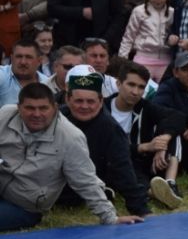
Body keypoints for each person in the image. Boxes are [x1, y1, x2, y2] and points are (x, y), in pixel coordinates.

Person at [0, 83, 143, 230]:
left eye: (43, 108)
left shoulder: (70, 137)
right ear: (18, 108)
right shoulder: (5, 114)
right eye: (30, 108)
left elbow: (86, 181)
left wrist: (110, 218)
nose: (37, 114)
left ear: (55, 108)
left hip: (24, 205)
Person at [59, 69, 151, 217]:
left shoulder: (111, 129)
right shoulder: (56, 118)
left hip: (83, 185)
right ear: (68, 100)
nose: (84, 106)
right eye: (78, 101)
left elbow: (123, 168)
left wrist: (141, 209)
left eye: (90, 101)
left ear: (101, 101)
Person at [105, 61, 186, 209]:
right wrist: (144, 147)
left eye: (141, 87)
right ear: (118, 84)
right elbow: (107, 149)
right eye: (131, 85)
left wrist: (163, 141)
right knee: (120, 169)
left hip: (144, 163)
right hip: (114, 162)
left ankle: (170, 184)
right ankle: (155, 193)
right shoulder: (103, 109)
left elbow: (178, 117)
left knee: (172, 132)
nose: (135, 92)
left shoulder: (145, 107)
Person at [118, 0, 174, 82]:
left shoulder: (172, 12)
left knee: (162, 94)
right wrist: (123, 60)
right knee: (140, 93)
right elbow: (128, 37)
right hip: (143, 59)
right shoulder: (139, 11)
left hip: (166, 60)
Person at [0, 39, 46, 106]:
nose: (23, 62)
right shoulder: (2, 74)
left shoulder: (46, 83)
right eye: (19, 56)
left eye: (28, 57)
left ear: (39, 61)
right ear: (12, 58)